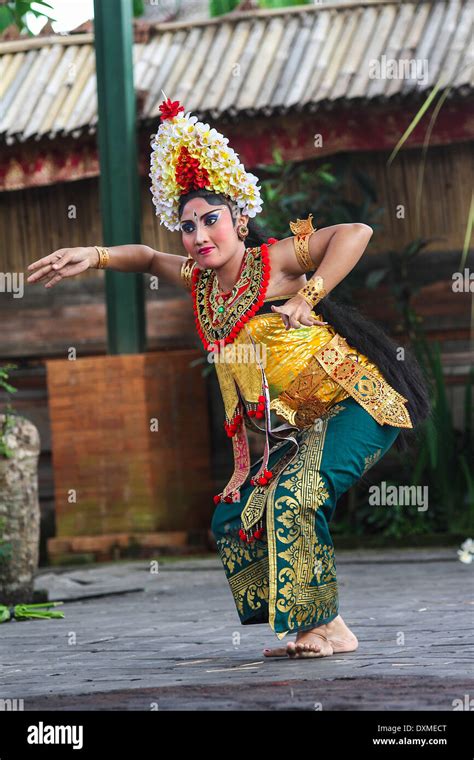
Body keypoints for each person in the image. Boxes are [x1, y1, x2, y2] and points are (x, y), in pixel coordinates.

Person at [26, 97, 431, 659]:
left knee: (295, 496)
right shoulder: (200, 284)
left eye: (211, 219)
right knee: (232, 516)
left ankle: (327, 627)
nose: (198, 235)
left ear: (239, 219)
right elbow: (145, 257)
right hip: (300, 427)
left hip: (358, 403)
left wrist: (309, 298)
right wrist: (92, 255)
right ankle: (306, 619)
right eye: (188, 226)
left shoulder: (277, 261)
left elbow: (356, 232)